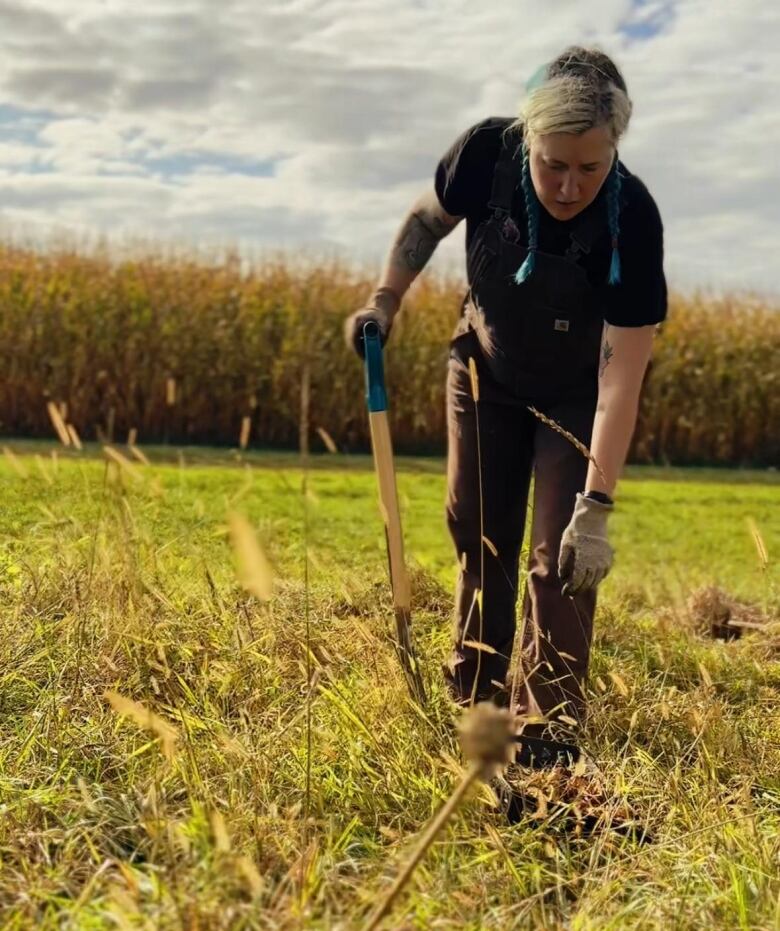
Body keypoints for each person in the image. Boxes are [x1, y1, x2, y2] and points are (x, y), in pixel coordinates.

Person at [344, 47, 666, 783]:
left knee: (561, 560)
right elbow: (426, 222)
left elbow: (622, 377)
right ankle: (477, 702)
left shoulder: (632, 222)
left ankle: (546, 740)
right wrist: (385, 300)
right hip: (484, 369)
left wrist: (599, 505)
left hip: (575, 395)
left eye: (591, 168)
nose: (569, 185)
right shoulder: (486, 154)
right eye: (555, 163)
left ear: (614, 151)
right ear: (529, 137)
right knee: (480, 531)